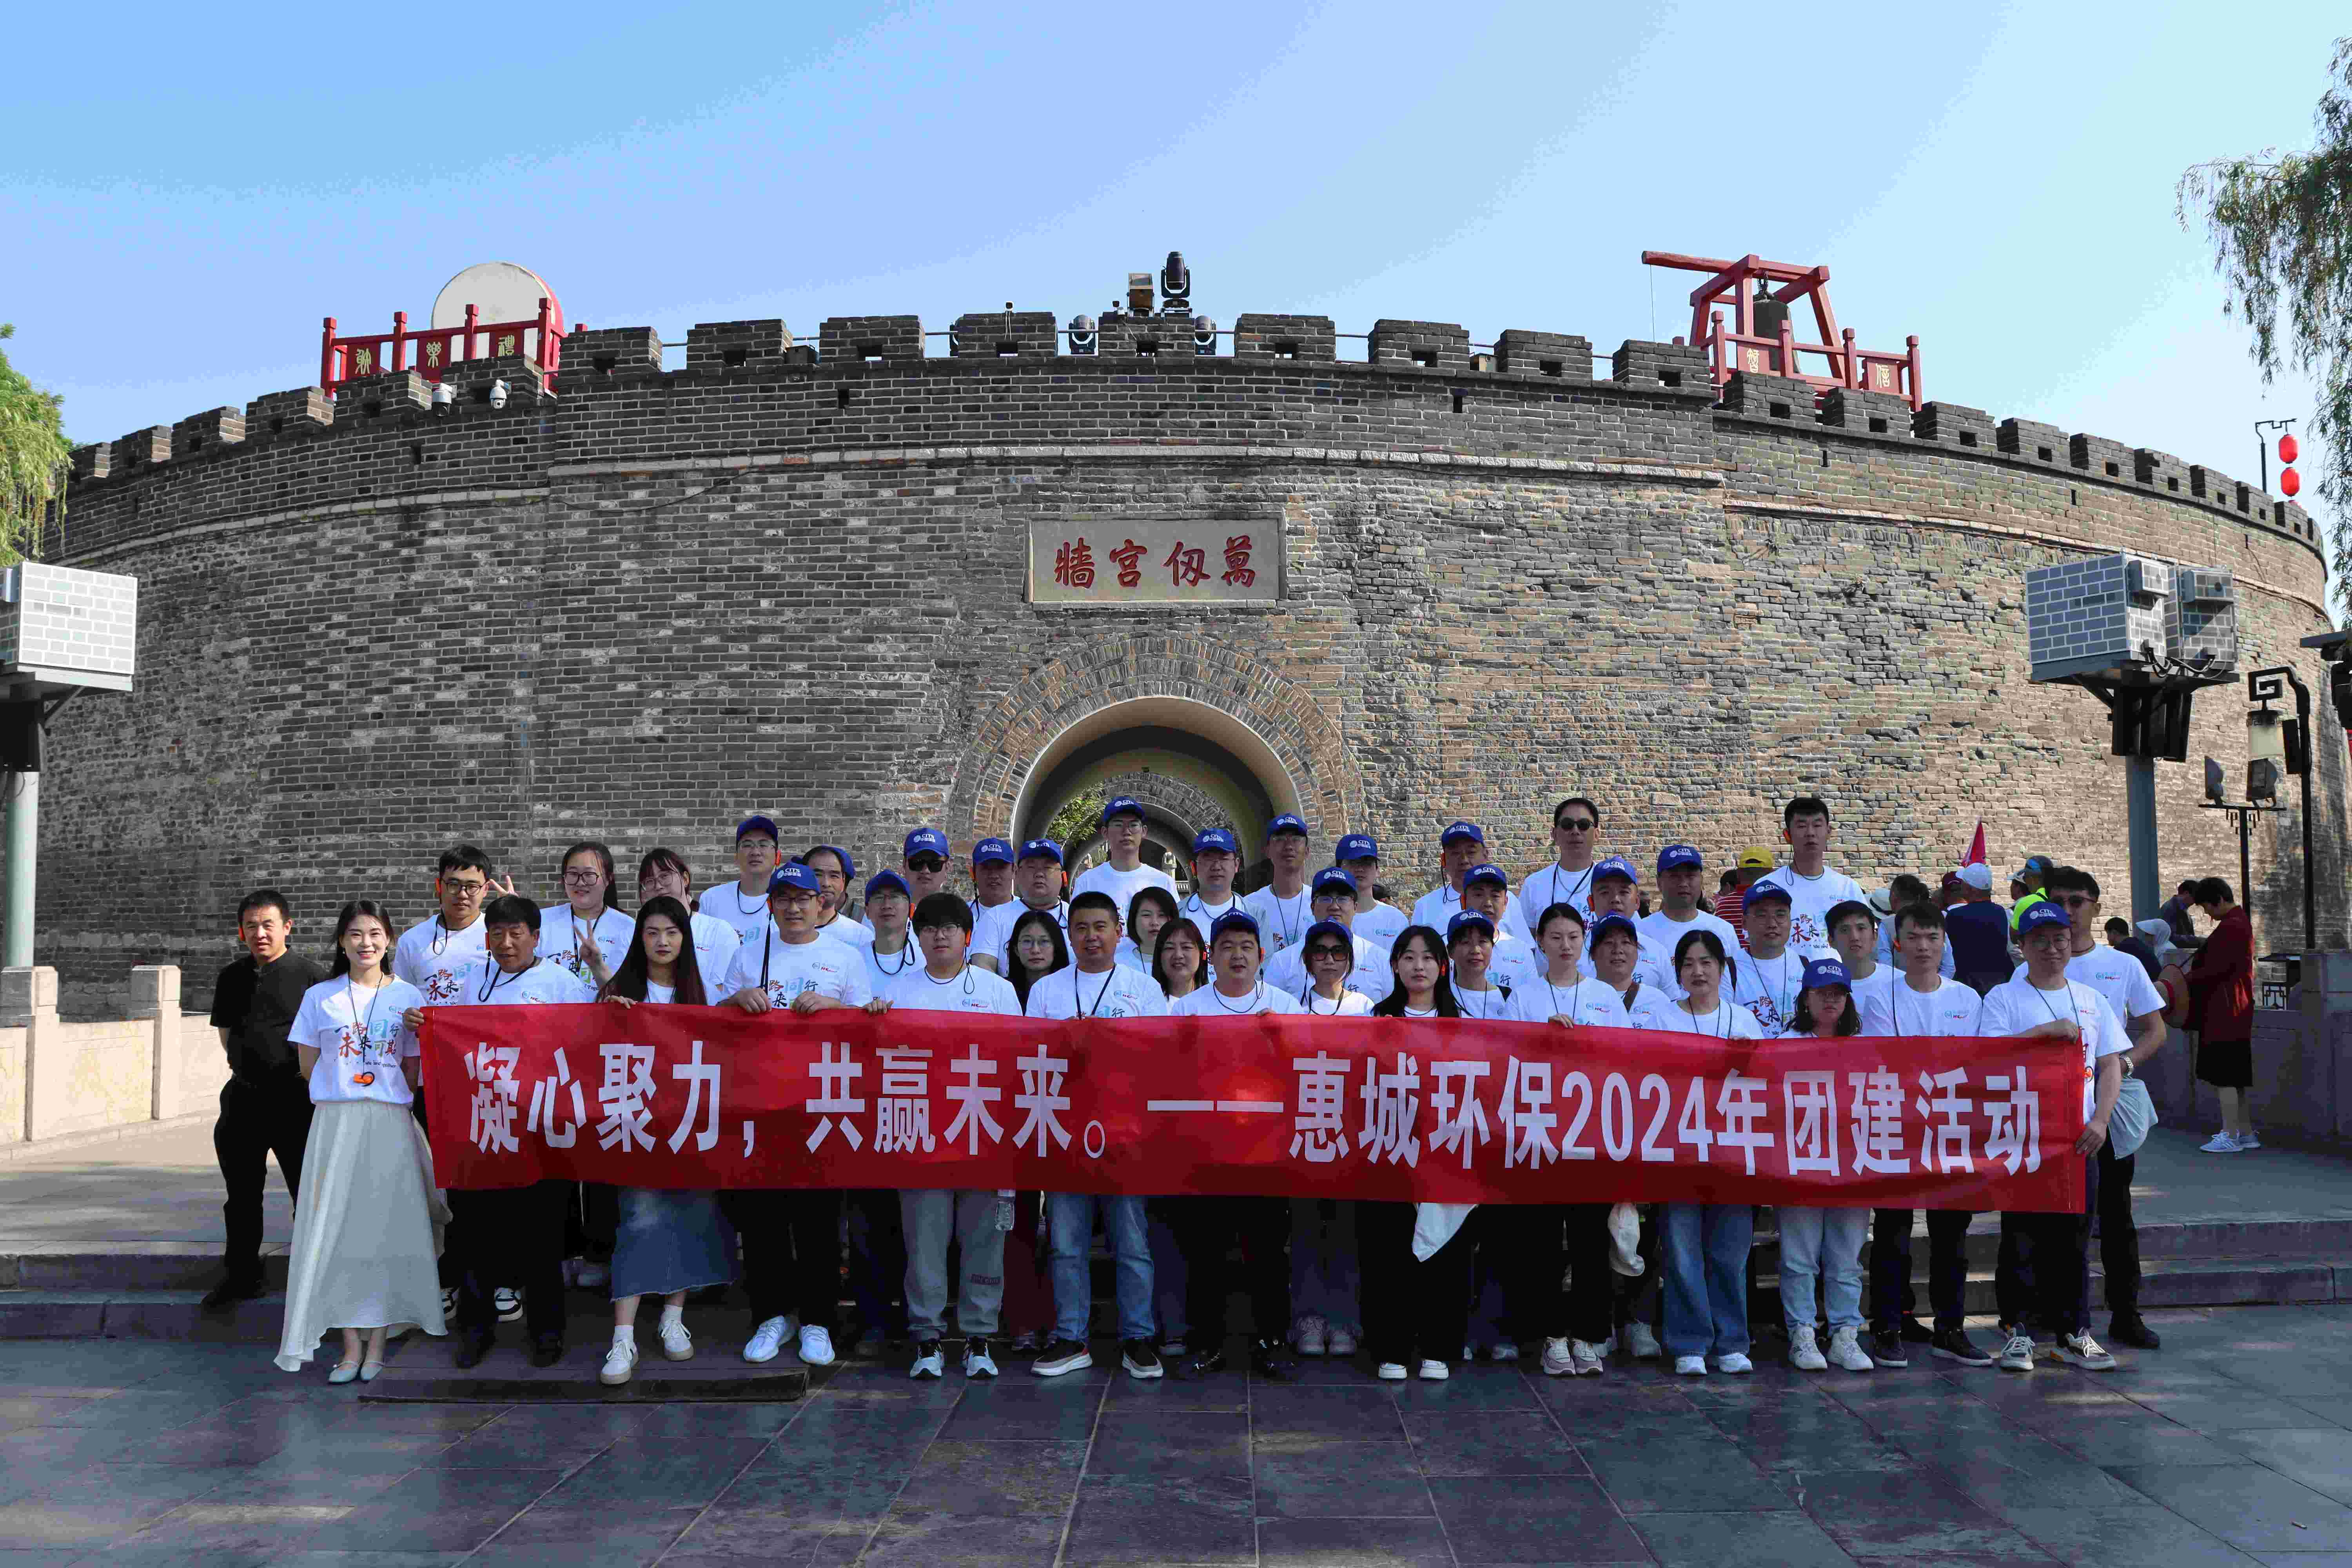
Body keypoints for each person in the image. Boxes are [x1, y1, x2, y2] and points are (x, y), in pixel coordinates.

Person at [412, 894, 596, 1368]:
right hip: (485, 1126)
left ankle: (547, 1332)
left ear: (536, 937)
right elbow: (452, 1039)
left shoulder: (562, 983)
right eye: (498, 933)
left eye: (517, 933)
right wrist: (426, 1025)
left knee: (542, 1236)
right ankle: (477, 1330)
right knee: (477, 1232)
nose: (507, 942)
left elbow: (586, 1044)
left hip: (541, 1128)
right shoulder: (474, 981)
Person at [274, 900, 443, 1380]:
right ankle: (350, 1345)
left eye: (374, 934)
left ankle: (378, 1344)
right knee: (339, 1231)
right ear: (341, 942)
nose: (365, 943)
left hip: (389, 1123)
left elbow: (413, 1070)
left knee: (387, 1232)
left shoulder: (408, 997)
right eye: (355, 934)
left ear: (389, 940)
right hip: (336, 1123)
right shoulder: (320, 997)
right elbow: (309, 1065)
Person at [718, 862, 871, 1369]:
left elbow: (869, 1027)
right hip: (760, 1106)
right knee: (763, 1219)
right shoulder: (749, 953)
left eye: (803, 898)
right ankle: (771, 1315)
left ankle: (818, 1320)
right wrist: (736, 999)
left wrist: (832, 1006)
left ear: (821, 902)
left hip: (820, 1107)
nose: (793, 907)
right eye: (783, 898)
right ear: (771, 905)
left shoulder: (845, 957)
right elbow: (715, 1024)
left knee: (817, 1221)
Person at [1022, 890, 1169, 1379]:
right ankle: (1071, 1336)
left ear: (1119, 933)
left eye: (1100, 927)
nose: (1091, 937)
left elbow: (1158, 1058)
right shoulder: (1047, 991)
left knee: (1132, 1243)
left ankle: (1138, 1338)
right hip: (1065, 1134)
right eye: (1082, 928)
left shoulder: (1143, 988)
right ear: (1070, 935)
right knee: (1067, 1243)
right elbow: (1031, 1059)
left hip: (1124, 1133)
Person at [877, 893, 1025, 1381]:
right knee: (925, 1243)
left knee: (985, 1241)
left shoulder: (998, 989)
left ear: (968, 936)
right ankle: (927, 1337)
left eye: (949, 928)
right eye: (929, 928)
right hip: (921, 1135)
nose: (939, 936)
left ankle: (980, 1336)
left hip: (983, 1131)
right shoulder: (897, 991)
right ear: (917, 937)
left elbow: (1019, 1057)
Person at [1980, 901, 2127, 1373]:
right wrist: (2047, 1031)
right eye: (2040, 940)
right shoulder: (2003, 998)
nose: (2051, 948)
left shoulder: (2091, 999)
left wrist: (2101, 1119)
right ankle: (2017, 1330)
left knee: (2074, 1240)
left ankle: (2074, 1332)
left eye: (2059, 939)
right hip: (2023, 1136)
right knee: (2020, 1238)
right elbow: (1990, 1056)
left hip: (2078, 1139)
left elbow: (2110, 1064)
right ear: (2021, 946)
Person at [595, 897, 736, 1387]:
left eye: (672, 932)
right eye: (653, 932)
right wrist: (609, 1014)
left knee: (690, 1216)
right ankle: (623, 1335)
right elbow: (593, 1050)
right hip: (636, 1126)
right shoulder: (619, 990)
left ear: (684, 939)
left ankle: (673, 1317)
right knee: (638, 1220)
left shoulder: (700, 993)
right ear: (640, 939)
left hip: (688, 1124)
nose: (662, 941)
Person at [2030, 868, 2170, 1350]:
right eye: (2059, 901)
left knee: (2115, 1213)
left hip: (2104, 1107)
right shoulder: (2032, 965)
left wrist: (2124, 1064)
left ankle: (2126, 1313)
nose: (2069, 911)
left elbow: (2156, 1029)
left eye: (2078, 901)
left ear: (2096, 905)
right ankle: (2054, 1312)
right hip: (2049, 1112)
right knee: (2050, 1216)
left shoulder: (2123, 964)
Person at [1166, 912, 1301, 1378]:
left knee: (1267, 1252)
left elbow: (1308, 1068)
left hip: (1267, 1149)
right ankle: (1208, 1342)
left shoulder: (1284, 1005)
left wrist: (1281, 1039)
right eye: (1226, 947)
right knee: (1206, 1252)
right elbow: (1166, 1072)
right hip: (1207, 1149)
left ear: (1261, 955)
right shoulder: (1188, 1009)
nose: (1237, 955)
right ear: (1211, 957)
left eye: (1246, 946)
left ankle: (1272, 1340)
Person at [1855, 902, 1991, 1369]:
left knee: (1951, 1236)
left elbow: (1976, 1064)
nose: (1923, 946)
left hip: (1951, 1130)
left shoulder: (1967, 999)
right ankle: (1888, 1326)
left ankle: (1950, 1328)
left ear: (1944, 942)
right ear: (1898, 942)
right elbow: (1884, 1061)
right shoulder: (1882, 998)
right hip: (1897, 1129)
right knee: (1892, 1235)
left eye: (1932, 937)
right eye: (1913, 937)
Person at [1507, 903, 1629, 1377]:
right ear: (1540, 941)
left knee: (1589, 1242)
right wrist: (1545, 1040)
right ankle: (1552, 1336)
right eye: (1555, 937)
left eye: (1573, 937)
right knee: (1543, 1244)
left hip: (1591, 1135)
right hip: (1540, 1136)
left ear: (1584, 942)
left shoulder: (1604, 996)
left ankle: (1589, 1335)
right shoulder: (1524, 996)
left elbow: (1625, 1058)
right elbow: (1507, 1058)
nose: (1565, 945)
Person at [1648, 929, 1764, 1376]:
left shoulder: (1743, 1020)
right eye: (1689, 964)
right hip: (1678, 1151)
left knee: (1729, 1253)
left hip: (1733, 1154)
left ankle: (1732, 1341)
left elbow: (1764, 1084)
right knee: (1682, 1252)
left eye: (1707, 962)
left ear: (1722, 968)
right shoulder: (1663, 1018)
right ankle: (1689, 1342)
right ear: (1678, 972)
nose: (1698, 972)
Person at [205, 889, 328, 1308]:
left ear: (287, 927)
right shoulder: (231, 977)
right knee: (241, 1195)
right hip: (243, 1098)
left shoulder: (311, 977)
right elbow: (227, 1036)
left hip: (296, 1101)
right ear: (242, 932)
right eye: (252, 926)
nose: (260, 933)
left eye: (268, 925)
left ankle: (314, 1279)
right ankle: (240, 1275)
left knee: (306, 1193)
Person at [1363, 927, 1474, 1380]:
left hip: (1446, 1152)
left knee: (1445, 1252)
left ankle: (1438, 1346)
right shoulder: (1378, 1019)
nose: (1419, 966)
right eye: (1409, 957)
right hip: (1391, 1150)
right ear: (1395, 966)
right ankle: (1391, 1347)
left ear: (1442, 967)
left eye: (1428, 957)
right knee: (1389, 1253)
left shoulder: (1461, 1023)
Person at [1774, 958, 1876, 1374]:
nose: (1830, 1000)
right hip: (1799, 1163)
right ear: (1806, 998)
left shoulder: (1866, 1046)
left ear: (1848, 1000)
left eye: (1838, 994)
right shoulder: (1784, 1044)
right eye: (1821, 993)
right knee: (1799, 1258)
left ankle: (1845, 1334)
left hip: (1851, 1165)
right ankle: (1802, 1332)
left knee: (1846, 1258)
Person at [1287, 917, 1368, 1361]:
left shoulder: (1366, 1007)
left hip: (1350, 1136)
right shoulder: (1291, 1008)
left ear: (1350, 961)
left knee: (1345, 1232)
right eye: (1320, 952)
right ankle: (1308, 1317)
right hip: (1302, 1134)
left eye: (1339, 953)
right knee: (1305, 1230)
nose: (1329, 960)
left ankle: (1344, 1319)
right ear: (1307, 960)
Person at [1145, 916, 1207, 1357]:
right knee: (1162, 1235)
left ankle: (1203, 1324)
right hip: (1156, 1136)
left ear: (1203, 955)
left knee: (1201, 1235)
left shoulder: (1219, 1003)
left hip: (1208, 1136)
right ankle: (1169, 1325)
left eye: (1188, 947)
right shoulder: (1144, 1002)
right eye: (1170, 947)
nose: (1179, 955)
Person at [2186, 876, 2257, 1152]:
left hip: (2224, 1009)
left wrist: (2183, 981)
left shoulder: (2232, 927)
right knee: (2236, 1077)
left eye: (2206, 906)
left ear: (2217, 900)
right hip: (2236, 1008)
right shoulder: (2239, 922)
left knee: (2224, 1076)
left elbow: (2215, 970)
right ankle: (2246, 1133)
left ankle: (2230, 1135)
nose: (2207, 914)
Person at [391, 844, 509, 1003]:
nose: (463, 894)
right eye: (454, 885)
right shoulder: (412, 941)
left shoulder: (503, 935)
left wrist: (516, 918)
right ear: (439, 885)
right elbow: (401, 999)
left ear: (486, 889)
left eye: (472, 887)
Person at [1748, 797, 1864, 954]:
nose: (1810, 833)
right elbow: (1755, 943)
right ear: (1788, 835)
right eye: (1802, 826)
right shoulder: (1766, 887)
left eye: (1817, 825)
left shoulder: (1848, 888)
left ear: (1828, 832)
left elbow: (1864, 943)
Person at [1263, 868, 1391, 1002]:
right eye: (1325, 899)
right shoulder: (1283, 961)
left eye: (1343, 899)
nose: (1334, 906)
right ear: (1312, 907)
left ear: (1355, 907)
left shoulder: (1381, 960)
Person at [536, 841, 636, 992]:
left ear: (608, 879)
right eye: (573, 874)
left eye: (589, 875)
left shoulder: (628, 927)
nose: (580, 883)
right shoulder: (542, 920)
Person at [636, 848, 741, 988]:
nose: (658, 886)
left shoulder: (719, 932)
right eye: (650, 881)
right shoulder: (636, 933)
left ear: (685, 879)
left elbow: (726, 991)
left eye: (665, 876)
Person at [1506, 797, 1604, 947]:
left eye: (1584, 825)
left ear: (1597, 833)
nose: (1575, 831)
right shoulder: (1534, 884)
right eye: (1567, 825)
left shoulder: (1609, 883)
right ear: (1555, 834)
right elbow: (1525, 944)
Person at [1637, 845, 1740, 970]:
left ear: (1701, 880)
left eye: (1691, 876)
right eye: (1675, 876)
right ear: (1659, 882)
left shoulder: (1724, 930)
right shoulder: (1639, 933)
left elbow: (1736, 978)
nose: (1684, 883)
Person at [1071, 796, 1178, 915]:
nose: (1127, 832)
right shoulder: (1087, 883)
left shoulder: (1164, 883)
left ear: (1144, 831)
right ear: (1105, 832)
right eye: (1118, 825)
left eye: (1133, 825)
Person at [1579, 857, 1673, 994]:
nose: (1615, 899)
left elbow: (1671, 1004)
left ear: (1637, 902)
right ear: (1591, 902)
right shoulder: (1575, 954)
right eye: (1605, 893)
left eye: (1624, 892)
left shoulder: (1657, 953)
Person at [1728, 880, 1806, 1035]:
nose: (1772, 924)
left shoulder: (1806, 966)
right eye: (1762, 915)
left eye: (1781, 915)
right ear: (1744, 923)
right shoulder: (1728, 970)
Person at [1412, 820, 1517, 934]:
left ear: (1486, 855)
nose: (1464, 860)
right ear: (1444, 860)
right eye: (1455, 853)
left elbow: (1524, 944)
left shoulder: (1507, 900)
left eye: (1471, 852)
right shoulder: (1425, 906)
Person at [990, 839, 1070, 971]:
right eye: (1031, 868)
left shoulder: (1075, 918)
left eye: (1048, 868)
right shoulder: (996, 917)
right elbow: (983, 966)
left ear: (1063, 877)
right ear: (1017, 874)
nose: (1039, 874)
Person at [701, 816, 785, 944]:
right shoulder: (712, 899)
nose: (755, 852)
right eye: (747, 845)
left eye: (764, 845)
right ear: (736, 856)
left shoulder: (789, 902)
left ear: (777, 855)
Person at [1241, 813, 1314, 957]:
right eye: (1280, 839)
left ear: (1307, 851)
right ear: (1267, 851)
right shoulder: (1250, 906)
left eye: (1296, 840)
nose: (1289, 846)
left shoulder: (1320, 903)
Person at [1945, 862, 2012, 994]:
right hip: (1997, 983)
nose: (1961, 886)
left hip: (1967, 985)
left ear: (1970, 889)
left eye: (1963, 883)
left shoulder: (1956, 916)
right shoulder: (2000, 912)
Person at [1825, 899, 1894, 1024]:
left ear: (1875, 936)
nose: (1855, 937)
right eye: (1845, 930)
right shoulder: (1823, 989)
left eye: (1861, 928)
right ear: (1831, 941)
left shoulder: (1897, 981)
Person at [1336, 833, 1408, 952]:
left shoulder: (1395, 919)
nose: (1360, 869)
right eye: (1353, 863)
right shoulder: (1326, 916)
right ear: (1339, 869)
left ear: (1377, 870)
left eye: (1367, 863)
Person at [1445, 909, 1514, 1023]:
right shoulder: (1438, 999)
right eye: (1466, 942)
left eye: (1483, 941)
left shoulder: (1509, 999)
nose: (1476, 950)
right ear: (1450, 951)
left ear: (1492, 947)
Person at [800, 845, 875, 949]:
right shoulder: (781, 928)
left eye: (834, 876)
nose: (826, 883)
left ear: (843, 881)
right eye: (817, 875)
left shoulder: (862, 936)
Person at [861, 870, 922, 995]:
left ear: (910, 909)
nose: (887, 905)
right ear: (867, 911)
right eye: (879, 898)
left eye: (895, 897)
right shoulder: (853, 960)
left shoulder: (927, 959)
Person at [966, 837, 1020, 973]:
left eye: (1001, 868)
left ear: (1014, 871)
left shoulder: (1028, 914)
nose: (994, 875)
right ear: (973, 873)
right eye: (986, 868)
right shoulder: (960, 915)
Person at [1178, 828, 1245, 927]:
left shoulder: (1255, 914)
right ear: (1194, 868)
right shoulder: (1176, 914)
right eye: (1208, 860)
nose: (1216, 867)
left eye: (1224, 859)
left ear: (1236, 865)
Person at [1715, 847, 1776, 950]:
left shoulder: (1723, 905)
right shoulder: (1778, 904)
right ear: (1771, 873)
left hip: (1733, 960)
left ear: (1738, 874)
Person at [1115, 885, 1178, 973]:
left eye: (1162, 915)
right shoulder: (1117, 964)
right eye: (1146, 915)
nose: (1154, 923)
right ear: (1133, 920)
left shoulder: (1185, 961)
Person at [901, 828, 956, 904]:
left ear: (947, 867)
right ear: (904, 864)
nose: (925, 871)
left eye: (934, 863)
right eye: (917, 862)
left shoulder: (960, 911)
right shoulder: (887, 910)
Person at [2105, 917, 2161, 981]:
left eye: (2108, 934)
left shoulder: (2121, 949)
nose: (2107, 938)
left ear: (2114, 933)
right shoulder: (2136, 943)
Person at [2008, 855, 2054, 930]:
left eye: (2025, 878)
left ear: (2031, 878)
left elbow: (2014, 935)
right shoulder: (2060, 896)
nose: (2026, 882)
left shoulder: (2025, 903)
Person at [2158, 880, 2203, 948]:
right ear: (2186, 893)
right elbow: (2170, 937)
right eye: (2195, 898)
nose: (2195, 902)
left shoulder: (2181, 909)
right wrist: (2198, 941)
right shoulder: (2169, 909)